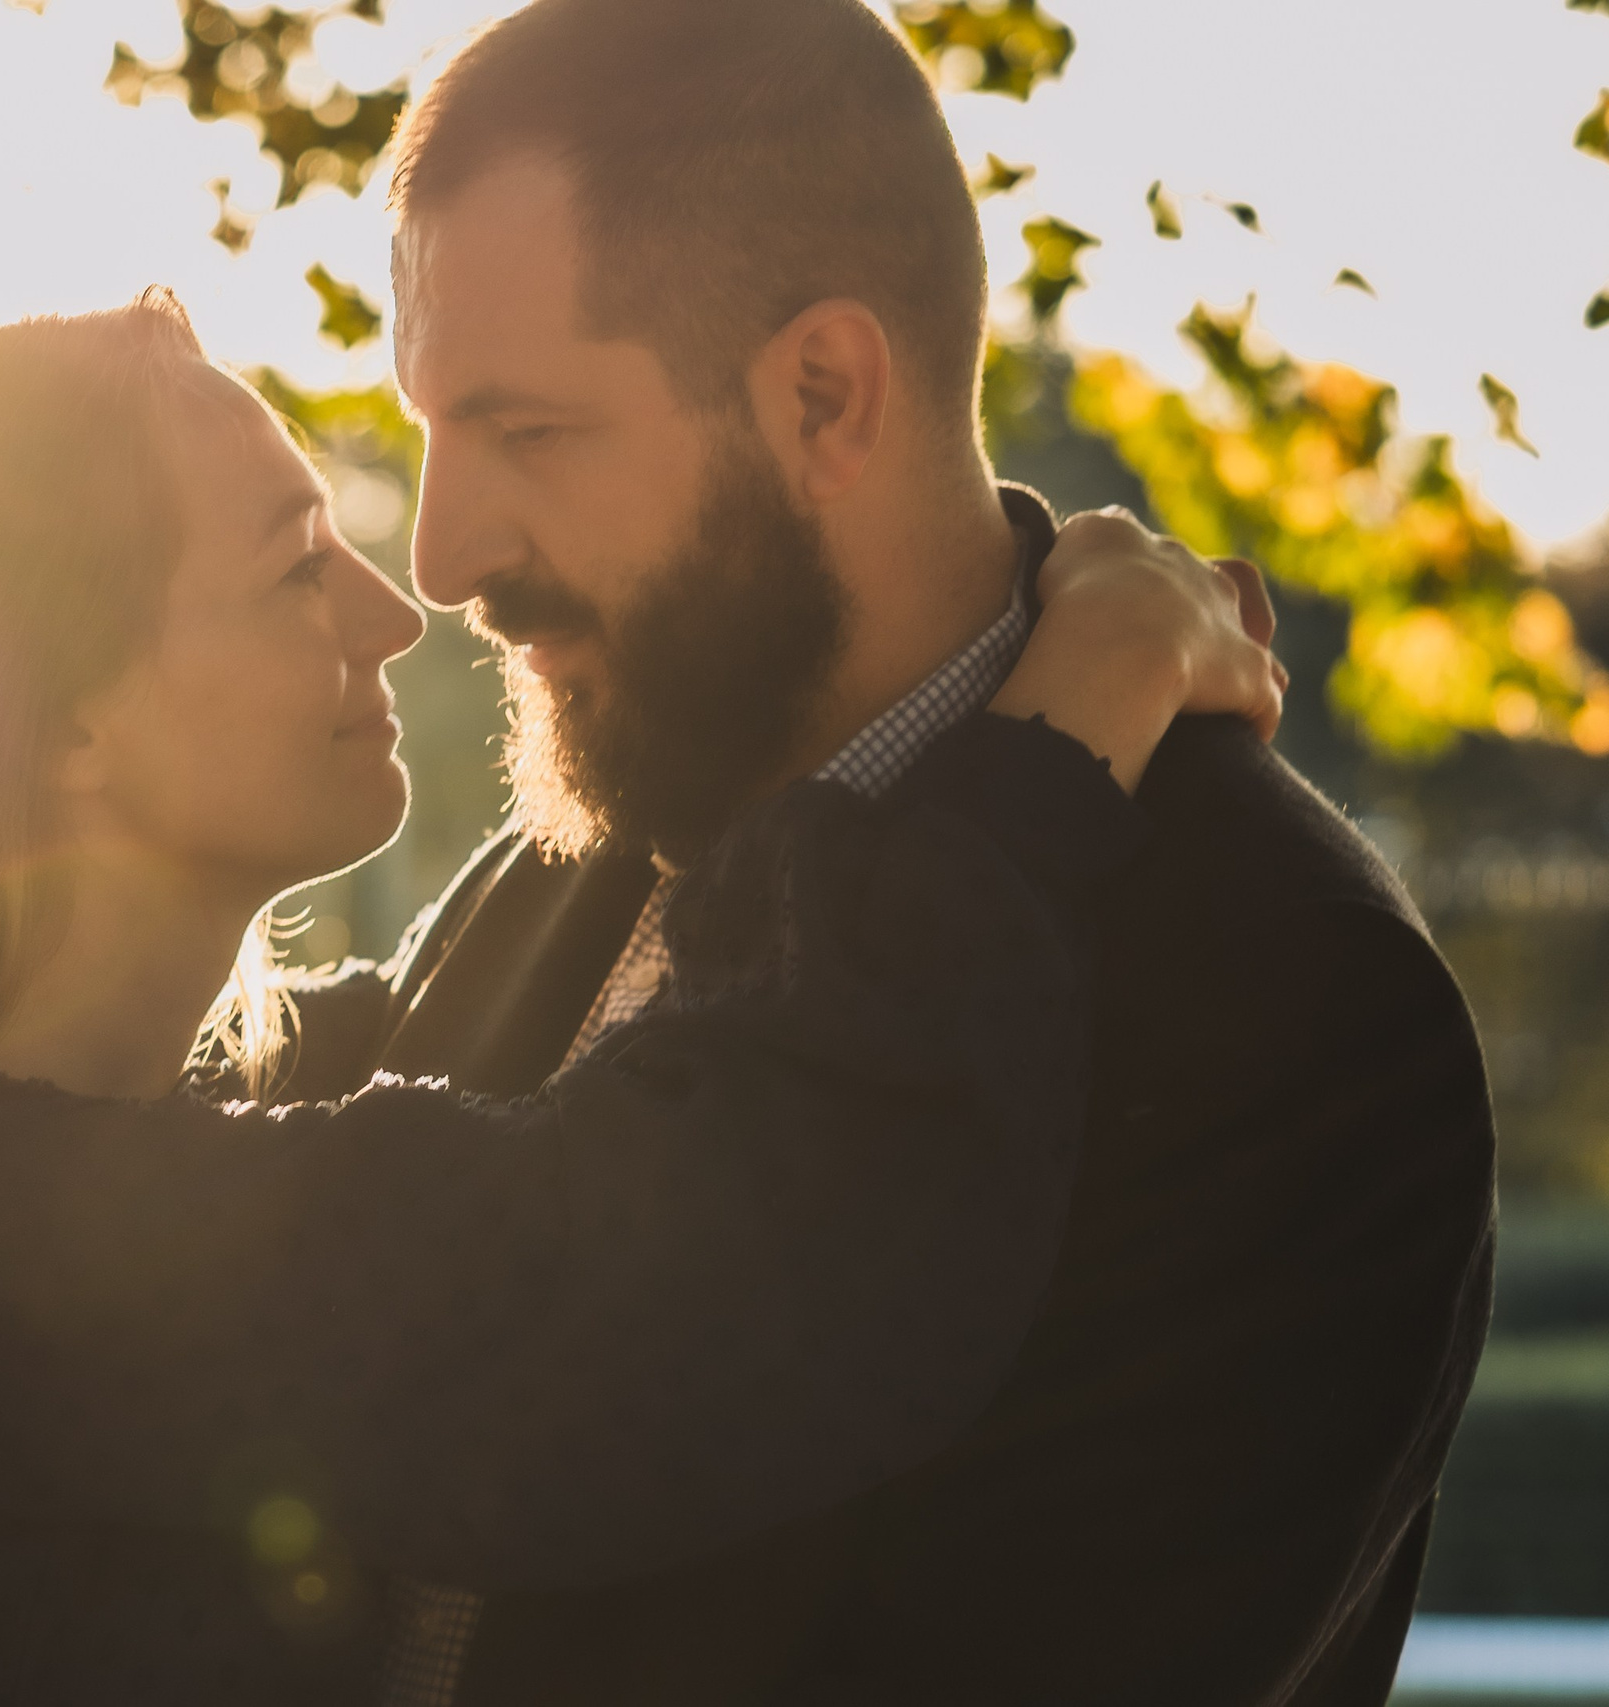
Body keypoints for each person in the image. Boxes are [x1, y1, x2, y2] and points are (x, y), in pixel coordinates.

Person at [0, 294, 1280, 1706]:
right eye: (291, 562)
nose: (394, 607)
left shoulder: (86, 1155)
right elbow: (722, 1273)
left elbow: (482, 1037)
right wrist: (1058, 735)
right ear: (63, 724)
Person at [275, 1, 1497, 1702]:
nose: (450, 550)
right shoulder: (571, 854)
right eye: (430, 431)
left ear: (827, 395)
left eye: (526, 431)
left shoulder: (1288, 1005)